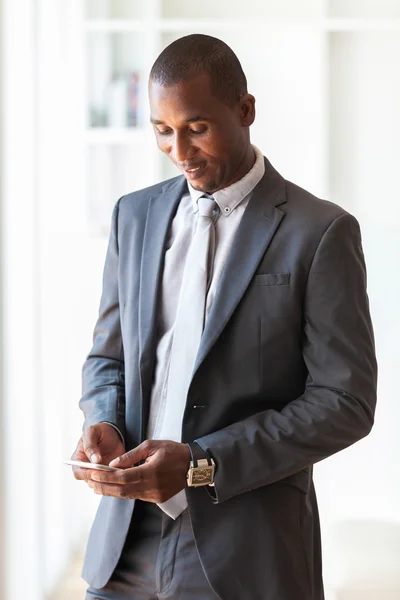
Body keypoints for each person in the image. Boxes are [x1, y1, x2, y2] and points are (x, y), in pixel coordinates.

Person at [70, 34, 377, 600]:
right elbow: (107, 357)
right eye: (163, 130)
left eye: (197, 127)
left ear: (245, 110)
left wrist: (199, 465)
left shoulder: (320, 231)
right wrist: (106, 425)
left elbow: (345, 403)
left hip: (246, 550)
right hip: (124, 547)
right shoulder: (133, 216)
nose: (180, 151)